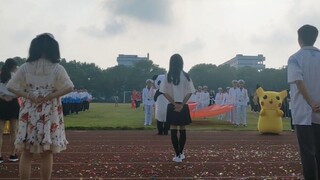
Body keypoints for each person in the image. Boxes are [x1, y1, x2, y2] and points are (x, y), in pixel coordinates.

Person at [6, 33, 74, 180]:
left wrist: (28, 95)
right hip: (50, 111)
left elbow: (11, 86)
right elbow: (69, 87)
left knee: (27, 152)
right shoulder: (57, 68)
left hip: (29, 110)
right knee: (47, 152)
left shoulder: (25, 68)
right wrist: (50, 96)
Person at [287, 24, 320, 180]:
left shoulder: (295, 58)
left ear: (299, 39)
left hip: (304, 113)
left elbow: (299, 82)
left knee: (307, 153)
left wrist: (312, 102)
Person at [160, 54, 195, 163]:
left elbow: (164, 92)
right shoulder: (186, 76)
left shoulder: (168, 75)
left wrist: (174, 104)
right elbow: (190, 92)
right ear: (181, 63)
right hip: (183, 106)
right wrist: (182, 104)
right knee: (182, 128)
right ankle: (181, 153)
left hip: (172, 106)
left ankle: (177, 154)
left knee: (174, 129)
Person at [0, 58, 20, 163]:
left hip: (1, 102)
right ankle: (12, 155)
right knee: (13, 131)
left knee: (0, 132)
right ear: (13, 67)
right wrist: (11, 97)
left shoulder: (1, 75)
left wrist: (3, 97)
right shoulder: (16, 77)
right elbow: (21, 92)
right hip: (13, 103)